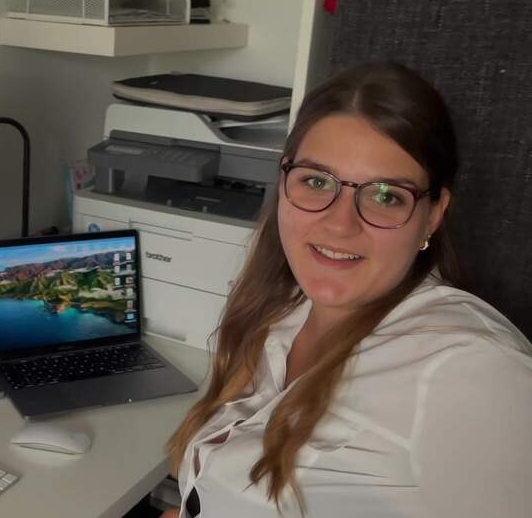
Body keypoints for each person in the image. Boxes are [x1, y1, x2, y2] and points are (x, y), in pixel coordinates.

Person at [162, 62, 532, 518]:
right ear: (284, 182)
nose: (339, 224)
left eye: (386, 195)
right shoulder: (281, 308)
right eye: (317, 182)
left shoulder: (473, 372)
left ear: (433, 216)